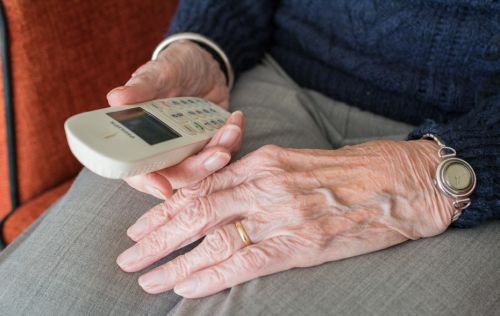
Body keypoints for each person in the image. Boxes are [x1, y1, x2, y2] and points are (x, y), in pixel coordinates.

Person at [0, 1, 499, 315]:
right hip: (268, 81)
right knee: (37, 300)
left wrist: (429, 175)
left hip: (470, 151)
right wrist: (202, 45)